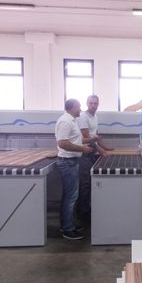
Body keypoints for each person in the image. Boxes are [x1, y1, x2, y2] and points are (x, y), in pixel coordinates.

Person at [55, 98, 93, 240]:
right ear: (71, 108)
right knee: (70, 197)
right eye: (78, 106)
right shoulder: (65, 121)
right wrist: (82, 148)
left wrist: (92, 139)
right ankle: (67, 229)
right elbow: (62, 143)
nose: (80, 108)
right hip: (67, 163)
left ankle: (67, 224)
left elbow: (75, 139)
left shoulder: (72, 121)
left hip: (72, 162)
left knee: (69, 197)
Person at [75, 95, 114, 222]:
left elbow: (96, 136)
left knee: (91, 183)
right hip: (84, 154)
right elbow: (87, 138)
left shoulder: (95, 117)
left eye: (95, 103)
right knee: (85, 184)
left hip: (92, 153)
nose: (93, 105)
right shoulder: (82, 117)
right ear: (87, 104)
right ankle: (83, 214)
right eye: (91, 103)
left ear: (98, 104)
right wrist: (101, 151)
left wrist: (106, 148)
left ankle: (88, 209)